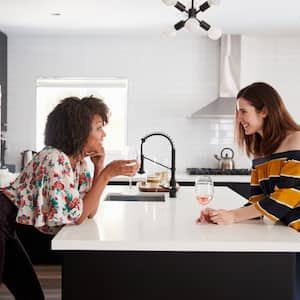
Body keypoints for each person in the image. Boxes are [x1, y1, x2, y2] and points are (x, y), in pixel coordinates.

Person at [0, 96, 138, 299]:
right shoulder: (55, 158)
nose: (104, 134)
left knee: (32, 296)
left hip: (7, 225)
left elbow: (89, 211)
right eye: (98, 128)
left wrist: (99, 167)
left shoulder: (78, 161)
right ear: (79, 130)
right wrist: (107, 173)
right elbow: (78, 216)